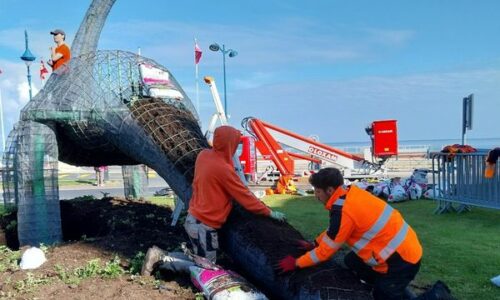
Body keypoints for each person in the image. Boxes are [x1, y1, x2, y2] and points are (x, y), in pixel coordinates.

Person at [141, 126, 286, 276]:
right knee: (207, 268)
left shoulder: (203, 156)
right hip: (204, 226)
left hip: (194, 219)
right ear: (230, 144)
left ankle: (162, 256)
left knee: (201, 258)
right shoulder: (223, 169)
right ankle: (161, 259)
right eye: (235, 144)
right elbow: (245, 196)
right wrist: (269, 212)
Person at [276, 167, 423, 300]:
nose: (316, 195)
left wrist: (296, 263)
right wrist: (315, 244)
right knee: (351, 261)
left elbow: (324, 253)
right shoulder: (349, 194)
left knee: (384, 294)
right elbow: (335, 231)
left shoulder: (343, 211)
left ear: (329, 190)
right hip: (399, 246)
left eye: (318, 191)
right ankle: (387, 286)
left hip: (401, 259)